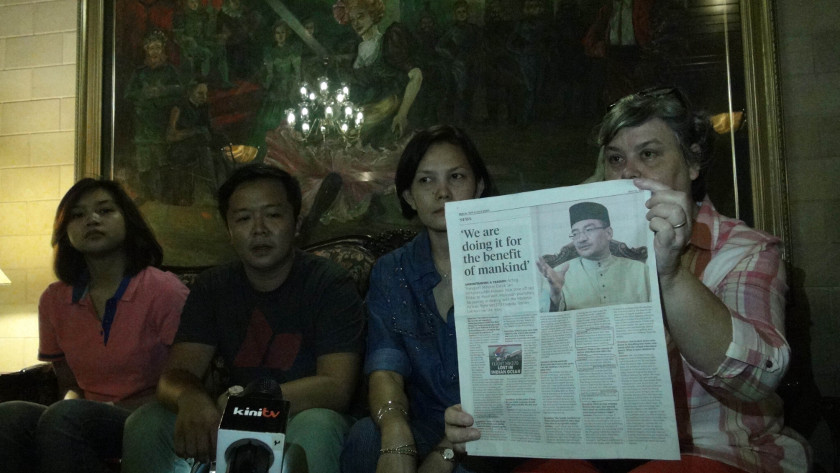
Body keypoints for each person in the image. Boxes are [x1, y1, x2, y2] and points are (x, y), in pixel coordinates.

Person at [444, 87, 811, 473]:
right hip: (588, 448)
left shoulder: (744, 249)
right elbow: (535, 370)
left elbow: (752, 381)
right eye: (615, 159)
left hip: (711, 450)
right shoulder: (570, 259)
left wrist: (669, 275)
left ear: (692, 162)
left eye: (648, 154)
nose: (629, 172)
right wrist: (488, 412)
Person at [121, 163, 365, 473]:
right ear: (229, 231)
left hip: (304, 414)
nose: (259, 229)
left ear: (296, 222)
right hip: (232, 418)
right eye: (244, 218)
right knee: (148, 421)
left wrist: (247, 403)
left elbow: (336, 387)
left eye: (273, 215)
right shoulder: (214, 287)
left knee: (317, 424)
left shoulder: (329, 283)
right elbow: (175, 375)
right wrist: (190, 398)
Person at [340, 125, 519, 473]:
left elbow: (514, 376)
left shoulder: (512, 264)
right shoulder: (392, 272)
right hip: (422, 422)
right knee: (366, 439)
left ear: (479, 186)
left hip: (495, 428)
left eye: (456, 177)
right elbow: (385, 370)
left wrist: (445, 453)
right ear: (408, 196)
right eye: (426, 181)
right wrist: (395, 432)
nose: (442, 192)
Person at [0, 178, 188, 473]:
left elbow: (189, 379)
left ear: (128, 220)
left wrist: (81, 410)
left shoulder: (163, 290)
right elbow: (68, 384)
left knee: (65, 417)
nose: (92, 220)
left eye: (105, 211)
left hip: (150, 415)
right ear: (65, 230)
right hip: (86, 415)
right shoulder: (54, 299)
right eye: (78, 215)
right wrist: (74, 405)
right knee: (9, 415)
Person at [333, 0, 424, 147]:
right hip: (361, 112)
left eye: (361, 16)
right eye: (353, 19)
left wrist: (402, 114)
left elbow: (416, 75)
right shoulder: (354, 49)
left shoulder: (388, 42)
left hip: (386, 110)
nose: (356, 23)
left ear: (373, 14)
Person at [537, 201, 650, 311]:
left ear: (608, 233)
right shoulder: (557, 274)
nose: (581, 239)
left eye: (589, 230)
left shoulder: (641, 270)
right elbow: (547, 325)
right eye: (575, 234)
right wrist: (555, 295)